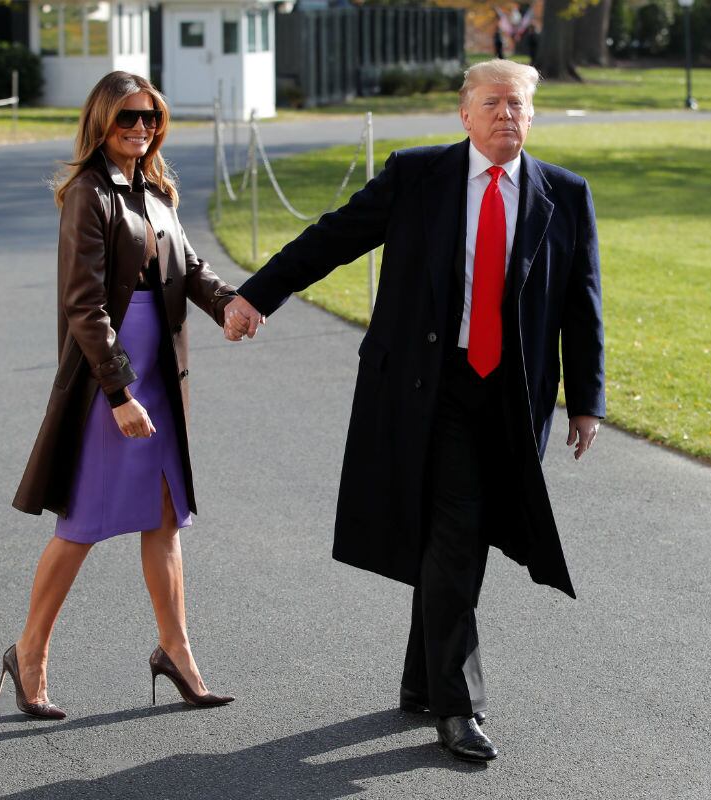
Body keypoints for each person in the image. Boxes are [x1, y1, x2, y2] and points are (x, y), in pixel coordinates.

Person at [223, 59, 605, 761]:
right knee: (457, 531)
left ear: (533, 115)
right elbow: (334, 237)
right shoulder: (418, 175)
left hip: (514, 399)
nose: (506, 117)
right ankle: (458, 707)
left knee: (467, 535)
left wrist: (586, 402)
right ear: (464, 113)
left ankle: (420, 679)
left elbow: (582, 307)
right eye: (492, 104)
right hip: (433, 387)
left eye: (518, 106)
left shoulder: (566, 196)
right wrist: (255, 295)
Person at [6, 71, 237, 719]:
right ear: (101, 122)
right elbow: (84, 306)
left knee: (165, 518)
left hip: (161, 374)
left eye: (150, 119)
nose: (140, 129)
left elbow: (190, 268)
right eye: (128, 119)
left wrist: (229, 307)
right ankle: (29, 654)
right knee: (82, 523)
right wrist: (119, 392)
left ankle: (177, 654)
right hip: (113, 380)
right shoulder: (89, 193)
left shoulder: (156, 189)